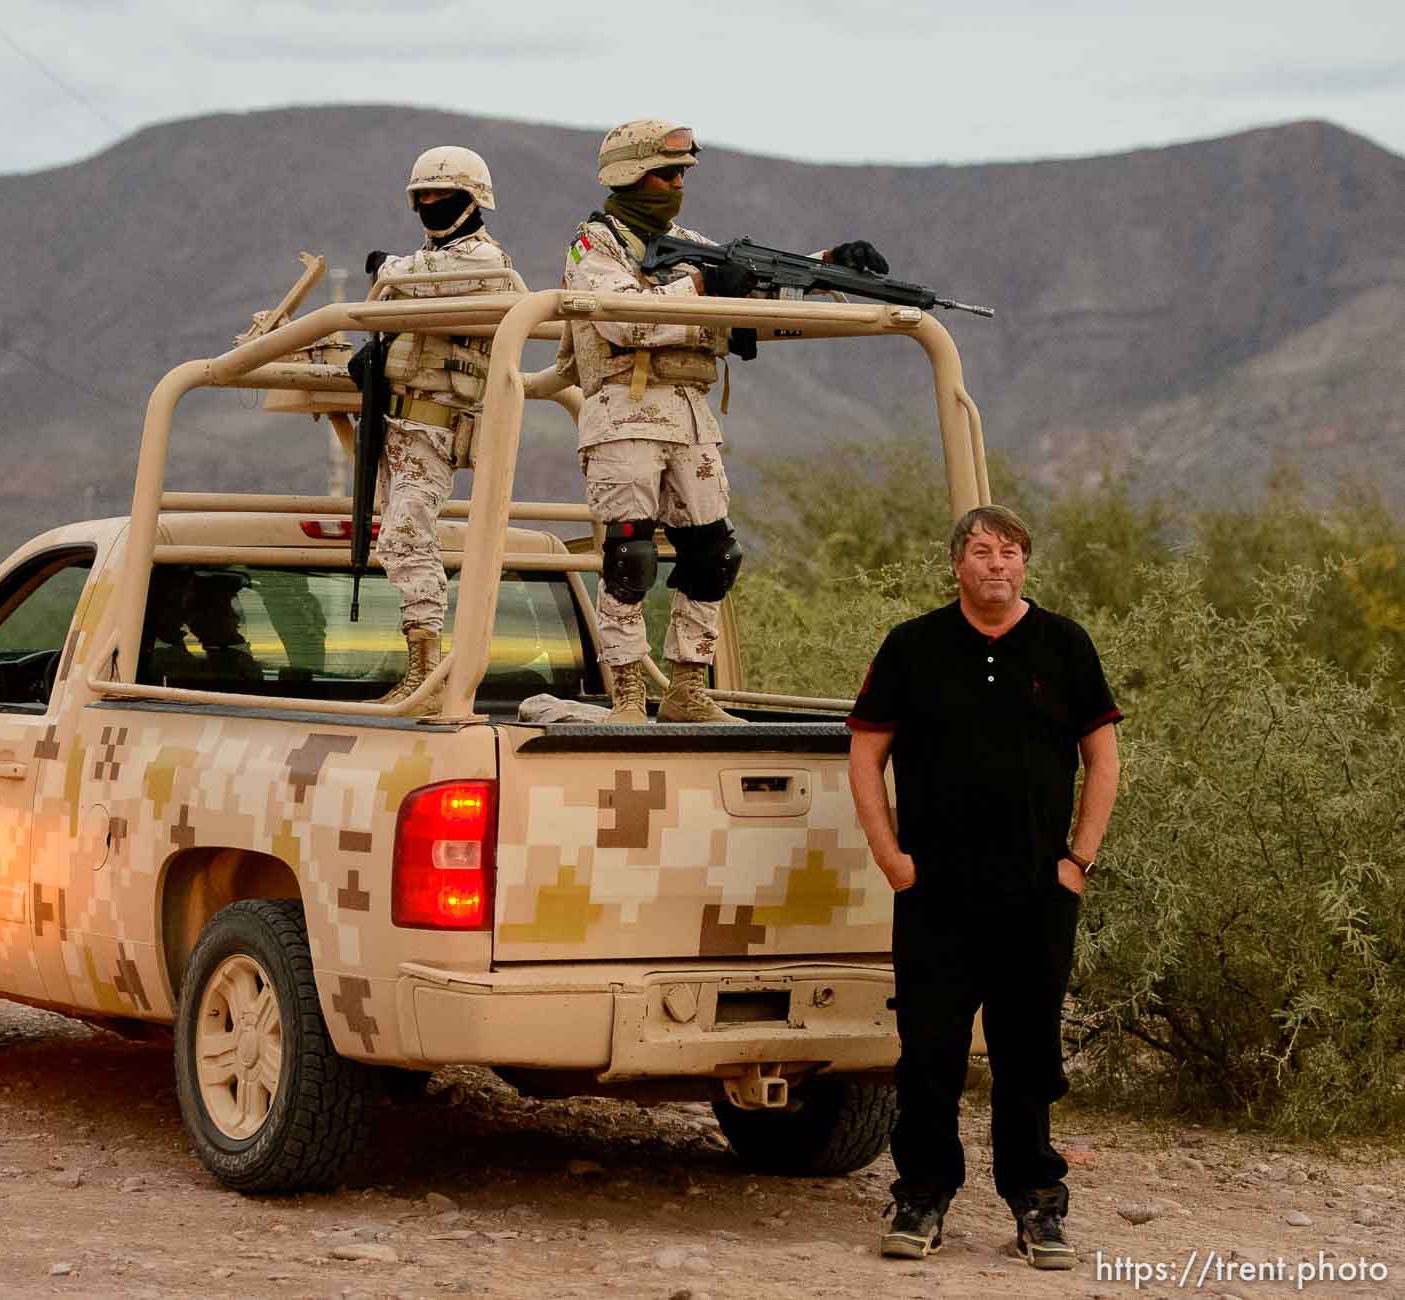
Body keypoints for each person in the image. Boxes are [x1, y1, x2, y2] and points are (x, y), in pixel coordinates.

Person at [845, 505, 1122, 1270]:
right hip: (934, 890)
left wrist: (1077, 862)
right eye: (979, 551)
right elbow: (865, 755)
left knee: (1026, 1052)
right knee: (928, 1051)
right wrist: (890, 856)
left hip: (1037, 891)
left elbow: (1103, 759)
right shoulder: (913, 646)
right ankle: (921, 1197)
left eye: (1007, 552)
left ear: (1024, 564)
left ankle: (1036, 1204)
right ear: (956, 565)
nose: (994, 564)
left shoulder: (1063, 644)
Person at [562, 118, 887, 723]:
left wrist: (825, 266)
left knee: (713, 555)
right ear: (630, 174)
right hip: (625, 412)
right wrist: (703, 283)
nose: (677, 184)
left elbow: (755, 296)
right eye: (666, 173)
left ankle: (688, 688)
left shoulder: (687, 241)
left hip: (690, 414)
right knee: (630, 557)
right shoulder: (594, 245)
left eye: (683, 173)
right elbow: (621, 321)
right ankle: (628, 694)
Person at [361, 145, 513, 714]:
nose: (429, 204)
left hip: (433, 426)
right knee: (394, 541)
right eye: (420, 196)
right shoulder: (430, 257)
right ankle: (421, 672)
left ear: (473, 200)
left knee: (406, 540)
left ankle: (427, 677)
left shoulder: (483, 261)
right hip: (399, 423)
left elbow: (414, 279)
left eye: (440, 195)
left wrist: (386, 270)